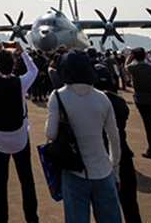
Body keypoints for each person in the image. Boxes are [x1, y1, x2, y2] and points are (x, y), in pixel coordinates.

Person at [46, 50, 122, 223]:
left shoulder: (58, 96)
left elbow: (50, 134)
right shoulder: (103, 98)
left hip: (74, 171)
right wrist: (115, 171)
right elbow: (114, 138)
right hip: (103, 170)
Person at [0, 40, 40, 223]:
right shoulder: (20, 83)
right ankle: (31, 217)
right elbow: (33, 70)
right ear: (14, 65)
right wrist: (22, 52)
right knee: (26, 178)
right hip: (19, 137)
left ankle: (1, 217)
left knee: (0, 180)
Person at [94, 64, 141, 223]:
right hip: (122, 155)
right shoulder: (119, 101)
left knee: (104, 206)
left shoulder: (91, 103)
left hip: (100, 157)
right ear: (112, 80)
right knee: (130, 202)